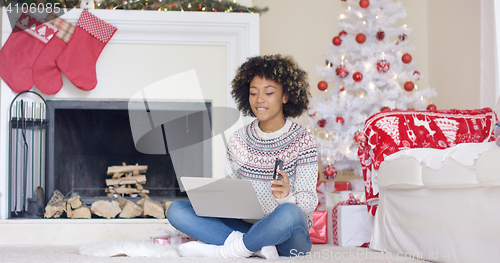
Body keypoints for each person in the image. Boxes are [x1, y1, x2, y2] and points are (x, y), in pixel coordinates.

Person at [167, 54, 318, 259]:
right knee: (176, 209)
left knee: (290, 213)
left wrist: (288, 198)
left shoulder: (303, 140)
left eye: (269, 93)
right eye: (253, 93)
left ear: (285, 96)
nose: (259, 100)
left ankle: (227, 251)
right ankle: (254, 245)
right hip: (246, 226)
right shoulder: (239, 138)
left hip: (287, 235)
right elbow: (232, 193)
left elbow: (309, 202)